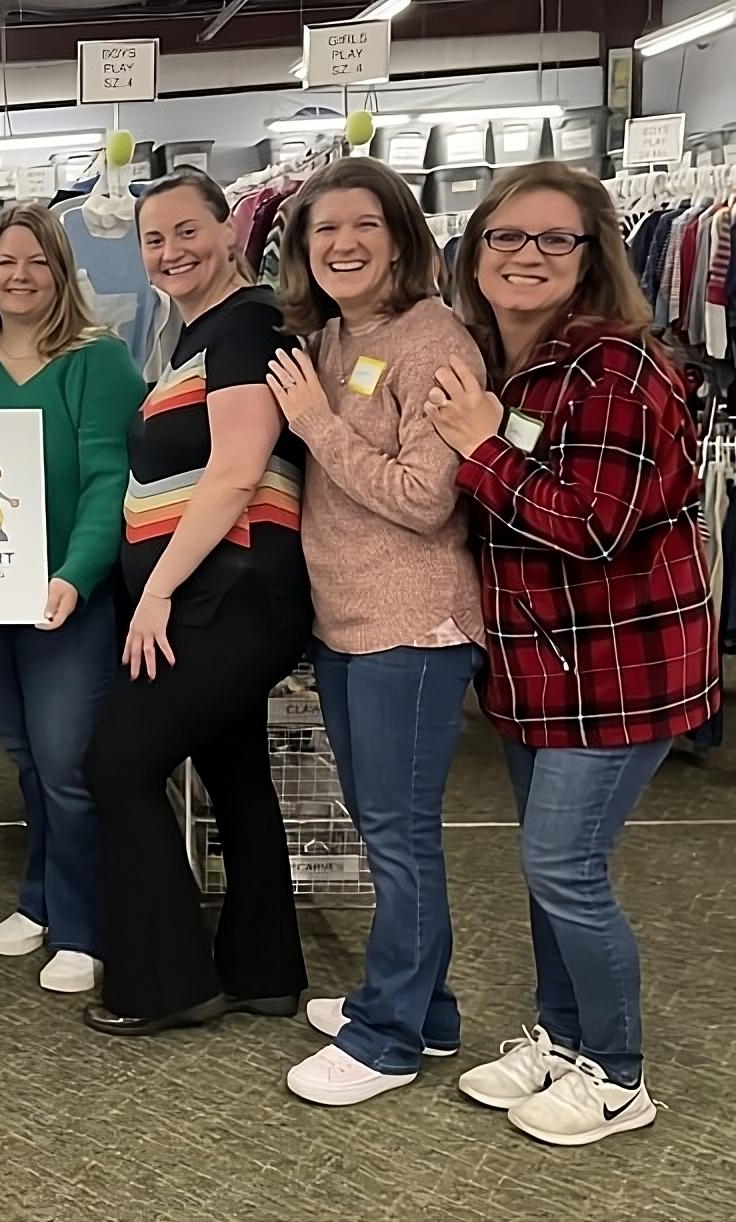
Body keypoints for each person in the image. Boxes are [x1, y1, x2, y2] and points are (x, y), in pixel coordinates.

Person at [423, 161, 717, 1146]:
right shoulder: (497, 364)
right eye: (507, 236)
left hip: (620, 671)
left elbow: (592, 525)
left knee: (565, 865)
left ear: (593, 257)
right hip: (536, 670)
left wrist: (480, 445)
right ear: (475, 252)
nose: (527, 256)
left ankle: (620, 1073)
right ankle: (560, 1034)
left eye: (555, 239)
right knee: (551, 866)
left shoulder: (616, 367)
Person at [257, 158, 488, 1104]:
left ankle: (388, 1035)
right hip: (348, 621)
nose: (343, 245)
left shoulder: (434, 342)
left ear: (401, 235)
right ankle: (424, 1010)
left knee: (399, 836)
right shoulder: (333, 338)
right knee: (383, 826)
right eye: (323, 232)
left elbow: (425, 500)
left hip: (415, 626)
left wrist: (315, 424)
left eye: (363, 226)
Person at [82, 169, 312, 1037]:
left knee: (117, 764)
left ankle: (167, 980)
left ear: (229, 229)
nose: (170, 251)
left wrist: (160, 593)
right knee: (235, 775)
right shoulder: (199, 334)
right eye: (153, 239)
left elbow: (237, 471)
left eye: (187, 231)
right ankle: (263, 969)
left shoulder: (246, 325)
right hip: (220, 590)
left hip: (230, 591)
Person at [0, 203, 143, 994]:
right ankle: (41, 896)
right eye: (6, 261)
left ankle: (84, 928)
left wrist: (76, 574)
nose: (20, 276)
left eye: (38, 262)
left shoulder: (100, 361)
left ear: (63, 273)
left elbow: (105, 480)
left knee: (65, 762)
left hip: (66, 598)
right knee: (24, 753)